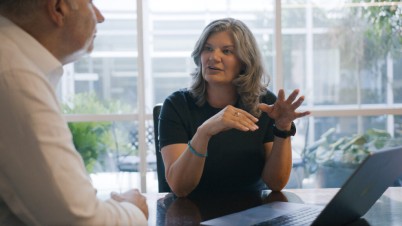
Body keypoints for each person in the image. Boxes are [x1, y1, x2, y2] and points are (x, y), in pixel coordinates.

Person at [0, 0, 148, 225]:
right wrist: (134, 208)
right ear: (58, 8)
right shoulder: (14, 75)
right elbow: (81, 220)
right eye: (90, 3)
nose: (100, 17)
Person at [159, 18, 310, 197]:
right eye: (208, 48)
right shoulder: (176, 105)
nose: (213, 57)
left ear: (244, 62)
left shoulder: (265, 104)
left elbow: (276, 183)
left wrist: (282, 129)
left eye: (227, 51)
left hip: (252, 212)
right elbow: (180, 188)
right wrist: (204, 132)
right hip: (192, 211)